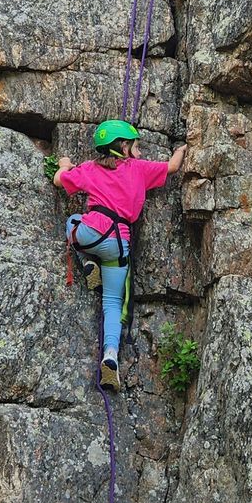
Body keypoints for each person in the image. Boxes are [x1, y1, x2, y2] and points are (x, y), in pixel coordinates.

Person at [55, 120, 187, 389]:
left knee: (72, 221)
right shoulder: (139, 169)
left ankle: (87, 260)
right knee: (113, 302)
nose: (139, 152)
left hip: (90, 232)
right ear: (124, 147)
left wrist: (64, 164)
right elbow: (172, 167)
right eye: (136, 147)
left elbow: (59, 180)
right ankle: (111, 356)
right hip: (118, 242)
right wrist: (182, 149)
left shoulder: (89, 169)